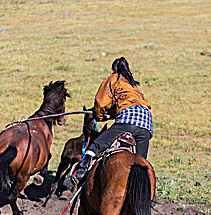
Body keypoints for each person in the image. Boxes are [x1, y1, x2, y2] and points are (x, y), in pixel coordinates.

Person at [63, 57, 153, 190]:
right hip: (146, 122)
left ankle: (78, 175)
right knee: (140, 162)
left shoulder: (113, 79)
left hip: (128, 120)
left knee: (96, 146)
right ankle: (149, 190)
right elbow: (127, 104)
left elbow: (101, 103)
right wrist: (111, 115)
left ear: (112, 70)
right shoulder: (132, 84)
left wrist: (98, 116)